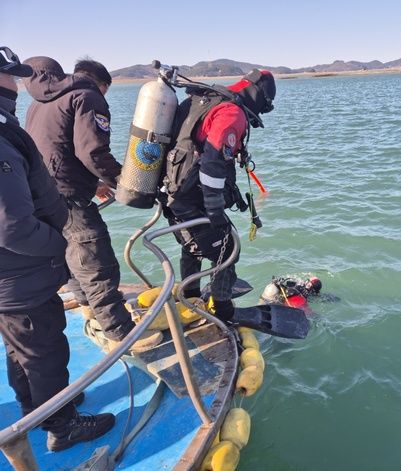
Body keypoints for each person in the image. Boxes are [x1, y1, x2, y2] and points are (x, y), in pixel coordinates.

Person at [0, 46, 115, 452]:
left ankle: (39, 408)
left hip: (11, 276)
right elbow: (11, 225)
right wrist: (57, 244)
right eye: (8, 77)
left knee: (21, 348)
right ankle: (63, 426)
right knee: (44, 346)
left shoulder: (22, 117)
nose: (15, 84)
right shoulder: (1, 139)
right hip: (19, 274)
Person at [22, 56, 161, 351]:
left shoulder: (38, 103)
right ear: (102, 84)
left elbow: (53, 149)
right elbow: (92, 153)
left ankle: (89, 310)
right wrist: (124, 180)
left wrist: (94, 183)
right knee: (97, 263)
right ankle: (122, 334)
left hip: (41, 193)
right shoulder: (88, 96)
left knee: (69, 258)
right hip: (69, 196)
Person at [160, 69, 276, 322]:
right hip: (192, 197)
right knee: (228, 247)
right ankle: (223, 311)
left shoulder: (202, 100)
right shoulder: (230, 112)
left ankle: (190, 296)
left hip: (171, 191)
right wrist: (214, 209)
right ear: (258, 96)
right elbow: (212, 161)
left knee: (193, 245)